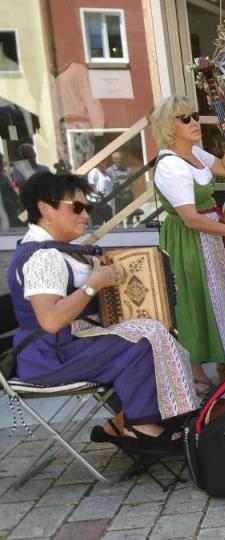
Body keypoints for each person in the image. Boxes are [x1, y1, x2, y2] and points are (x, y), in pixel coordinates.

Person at [7, 172, 198, 450]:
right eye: (77, 207)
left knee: (156, 329)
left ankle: (125, 421)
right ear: (45, 209)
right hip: (50, 355)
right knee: (144, 340)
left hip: (66, 345)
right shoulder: (42, 257)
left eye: (88, 207)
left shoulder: (59, 251)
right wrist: (93, 284)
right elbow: (51, 320)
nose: (85, 214)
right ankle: (140, 426)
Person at [148, 96, 225, 394]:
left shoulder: (194, 153)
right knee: (194, 299)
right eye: (184, 118)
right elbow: (190, 219)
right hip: (189, 239)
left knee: (218, 295)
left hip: (209, 234)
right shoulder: (170, 165)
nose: (193, 122)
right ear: (168, 126)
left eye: (194, 116)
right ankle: (196, 372)